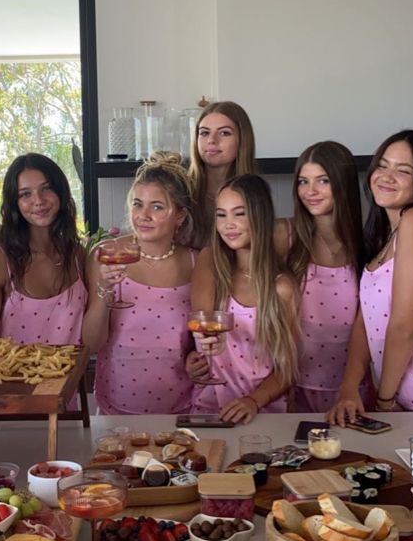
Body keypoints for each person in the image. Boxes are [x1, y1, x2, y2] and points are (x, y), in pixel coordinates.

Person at [330, 130, 413, 423]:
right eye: (382, 165)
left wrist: (384, 400)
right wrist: (349, 386)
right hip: (404, 405)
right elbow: (365, 320)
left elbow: (405, 324)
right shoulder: (386, 234)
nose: (386, 176)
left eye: (403, 170)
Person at [84, 153, 197, 414]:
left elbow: (200, 342)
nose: (143, 215)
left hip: (182, 409)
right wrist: (105, 289)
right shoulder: (106, 254)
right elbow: (91, 343)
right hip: (116, 407)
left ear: (180, 216)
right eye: (137, 204)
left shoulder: (196, 262)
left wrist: (198, 358)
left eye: (157, 207)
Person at [186, 174, 298, 422]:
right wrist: (196, 353)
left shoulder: (281, 288)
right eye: (221, 214)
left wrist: (253, 401)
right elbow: (200, 329)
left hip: (263, 413)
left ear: (261, 217)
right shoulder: (212, 269)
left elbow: (287, 370)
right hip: (210, 409)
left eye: (239, 213)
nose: (228, 224)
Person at [283, 141, 367, 413]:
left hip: (355, 389)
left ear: (343, 184)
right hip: (294, 387)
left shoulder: (368, 245)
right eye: (303, 181)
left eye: (323, 181)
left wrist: (351, 388)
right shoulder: (286, 237)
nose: (310, 191)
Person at [0, 153, 86, 348]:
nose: (38, 200)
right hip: (12, 378)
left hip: (74, 379)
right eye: (25, 194)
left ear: (60, 192)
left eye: (46, 188)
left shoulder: (78, 255)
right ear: (15, 204)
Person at [188, 101, 257, 248]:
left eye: (224, 133)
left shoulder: (257, 194)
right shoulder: (180, 191)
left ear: (242, 140)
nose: (212, 140)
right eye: (204, 133)